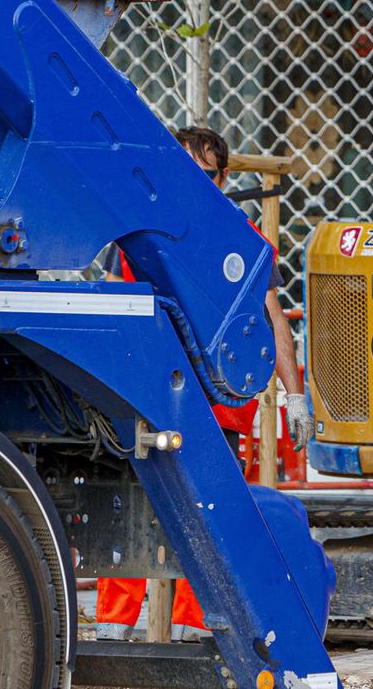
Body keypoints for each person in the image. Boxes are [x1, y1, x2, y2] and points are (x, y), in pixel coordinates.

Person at [97, 125, 314, 641]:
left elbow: (273, 321)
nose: (196, 182)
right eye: (187, 170)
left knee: (209, 517)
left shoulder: (245, 241)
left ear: (223, 178)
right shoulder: (135, 233)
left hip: (216, 408)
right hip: (148, 399)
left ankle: (195, 631)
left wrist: (296, 396)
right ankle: (111, 628)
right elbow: (111, 309)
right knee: (130, 506)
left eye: (207, 173)